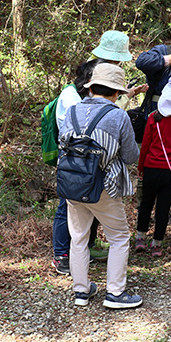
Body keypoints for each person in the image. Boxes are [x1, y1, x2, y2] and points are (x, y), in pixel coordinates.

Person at [60, 63, 143, 309]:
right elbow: (130, 156)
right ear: (116, 92)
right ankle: (115, 293)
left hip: (72, 185)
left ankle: (81, 291)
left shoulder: (73, 110)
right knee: (118, 237)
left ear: (91, 87)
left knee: (78, 237)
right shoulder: (118, 115)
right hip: (103, 186)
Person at [52, 59, 103, 274]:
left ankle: (85, 249)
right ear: (91, 81)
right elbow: (75, 130)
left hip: (87, 163)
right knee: (66, 208)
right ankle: (61, 255)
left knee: (89, 206)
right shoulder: (71, 97)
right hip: (72, 164)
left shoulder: (82, 97)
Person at [134, 72, 171, 257]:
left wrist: (141, 167)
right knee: (163, 207)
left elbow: (145, 146)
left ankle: (140, 237)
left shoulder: (154, 117)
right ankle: (157, 243)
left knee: (146, 203)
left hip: (152, 166)